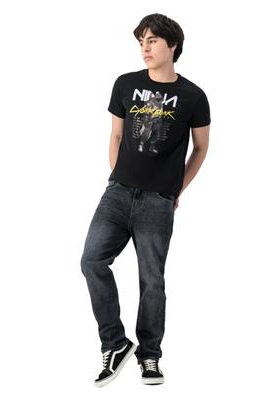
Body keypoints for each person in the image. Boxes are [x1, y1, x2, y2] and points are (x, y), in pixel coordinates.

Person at [80, 13, 211, 387]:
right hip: (117, 194)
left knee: (152, 280)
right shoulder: (125, 84)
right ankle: (115, 343)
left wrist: (176, 190)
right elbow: (116, 137)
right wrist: (118, 179)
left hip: (158, 201)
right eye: (141, 41)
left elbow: (201, 148)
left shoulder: (193, 96)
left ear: (173, 45)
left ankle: (150, 355)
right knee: (91, 261)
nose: (145, 48)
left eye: (152, 40)